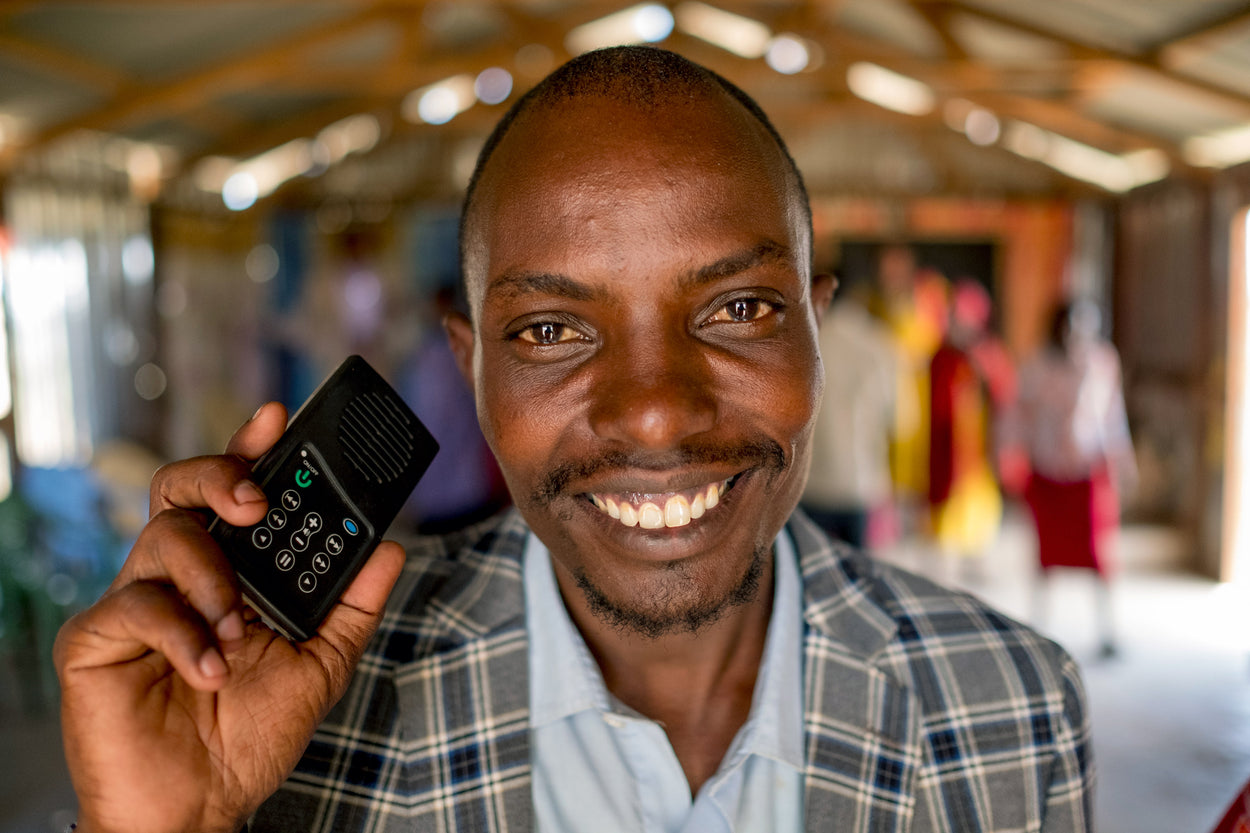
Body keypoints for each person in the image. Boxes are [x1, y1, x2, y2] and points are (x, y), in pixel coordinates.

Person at [55, 47, 1093, 832]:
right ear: (468, 363)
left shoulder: (1010, 706)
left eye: (737, 309)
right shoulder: (287, 719)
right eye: (550, 330)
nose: (652, 411)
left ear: (820, 331)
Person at [1013, 299, 1136, 657]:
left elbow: (1113, 417)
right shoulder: (1036, 366)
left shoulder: (1102, 363)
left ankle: (1107, 631)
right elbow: (1019, 415)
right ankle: (1039, 625)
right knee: (1046, 556)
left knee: (1099, 554)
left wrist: (1123, 461)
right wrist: (1010, 454)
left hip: (1087, 472)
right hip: (1048, 471)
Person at [801, 275, 898, 548]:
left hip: (814, 483)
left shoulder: (809, 341)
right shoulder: (881, 345)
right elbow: (898, 422)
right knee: (861, 577)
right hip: (863, 483)